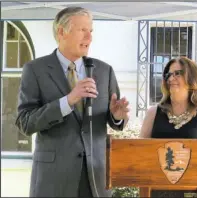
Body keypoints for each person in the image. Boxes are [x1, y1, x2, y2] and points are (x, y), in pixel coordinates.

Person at [15, 7, 129, 197]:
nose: (89, 37)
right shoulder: (35, 70)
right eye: (82, 30)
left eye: (91, 31)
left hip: (95, 178)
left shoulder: (104, 71)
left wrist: (117, 117)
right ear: (61, 32)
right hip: (54, 179)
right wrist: (67, 101)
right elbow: (25, 122)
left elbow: (114, 122)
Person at [140, 57, 197, 197]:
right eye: (168, 74)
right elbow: (140, 155)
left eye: (177, 73)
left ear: (192, 78)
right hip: (159, 192)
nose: (171, 78)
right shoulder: (153, 113)